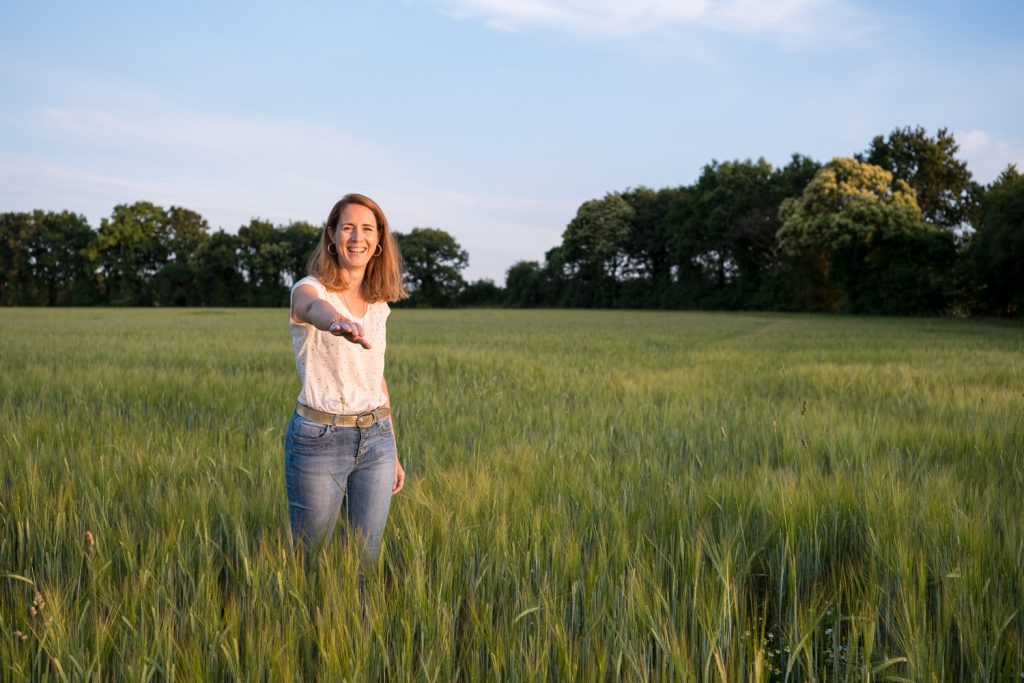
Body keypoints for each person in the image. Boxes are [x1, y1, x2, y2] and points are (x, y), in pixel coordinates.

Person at [285, 193, 408, 561]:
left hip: (377, 439)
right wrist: (336, 322)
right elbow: (310, 308)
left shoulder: (379, 303)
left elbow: (376, 379)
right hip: (320, 438)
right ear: (332, 236)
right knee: (311, 558)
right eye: (348, 228)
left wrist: (394, 450)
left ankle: (359, 620)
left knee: (364, 558)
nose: (358, 237)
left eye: (368, 229)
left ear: (379, 242)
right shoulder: (310, 289)